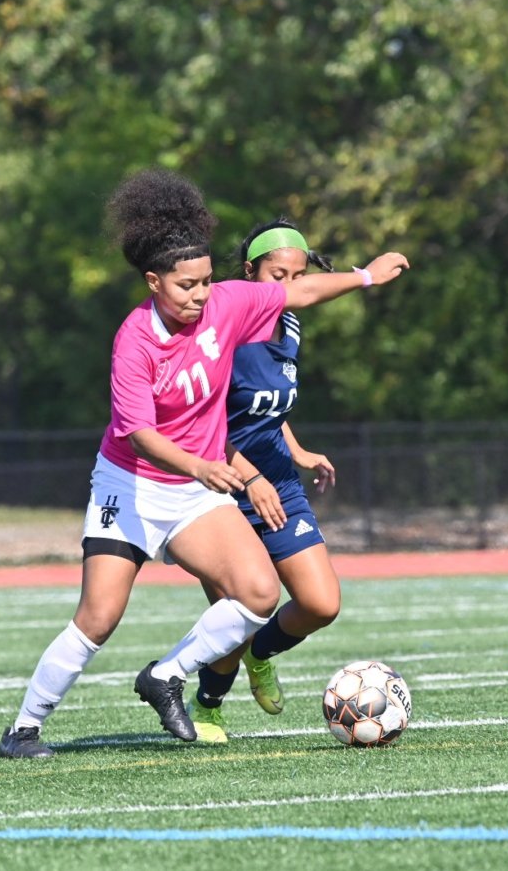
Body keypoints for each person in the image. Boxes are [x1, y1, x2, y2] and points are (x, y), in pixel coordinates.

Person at [0, 169, 409, 758]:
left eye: (206, 281)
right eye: (187, 285)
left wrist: (366, 276)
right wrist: (201, 466)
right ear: (153, 281)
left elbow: (298, 293)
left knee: (257, 593)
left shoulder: (225, 304)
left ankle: (166, 675)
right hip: (131, 486)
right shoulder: (134, 340)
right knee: (99, 616)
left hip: (193, 490)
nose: (199, 295)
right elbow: (138, 434)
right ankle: (24, 729)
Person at [186, 219, 344, 743]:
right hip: (222, 490)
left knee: (321, 603)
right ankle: (207, 705)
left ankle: (261, 654)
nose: (288, 287)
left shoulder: (293, 324)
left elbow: (270, 406)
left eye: (298, 277)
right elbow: (206, 421)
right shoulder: (222, 330)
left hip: (280, 483)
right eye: (278, 274)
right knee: (240, 610)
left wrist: (297, 452)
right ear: (250, 270)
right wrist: (248, 477)